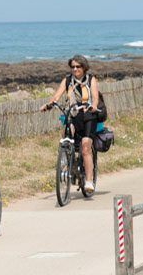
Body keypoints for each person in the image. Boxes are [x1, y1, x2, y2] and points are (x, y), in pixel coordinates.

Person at [40, 54, 99, 192]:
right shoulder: (67, 81)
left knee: (85, 149)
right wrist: (48, 105)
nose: (75, 69)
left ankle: (89, 181)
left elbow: (95, 97)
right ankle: (66, 157)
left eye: (78, 66)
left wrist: (93, 106)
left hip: (88, 115)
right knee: (66, 132)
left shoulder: (91, 79)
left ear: (84, 67)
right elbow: (57, 96)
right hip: (73, 113)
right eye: (73, 67)